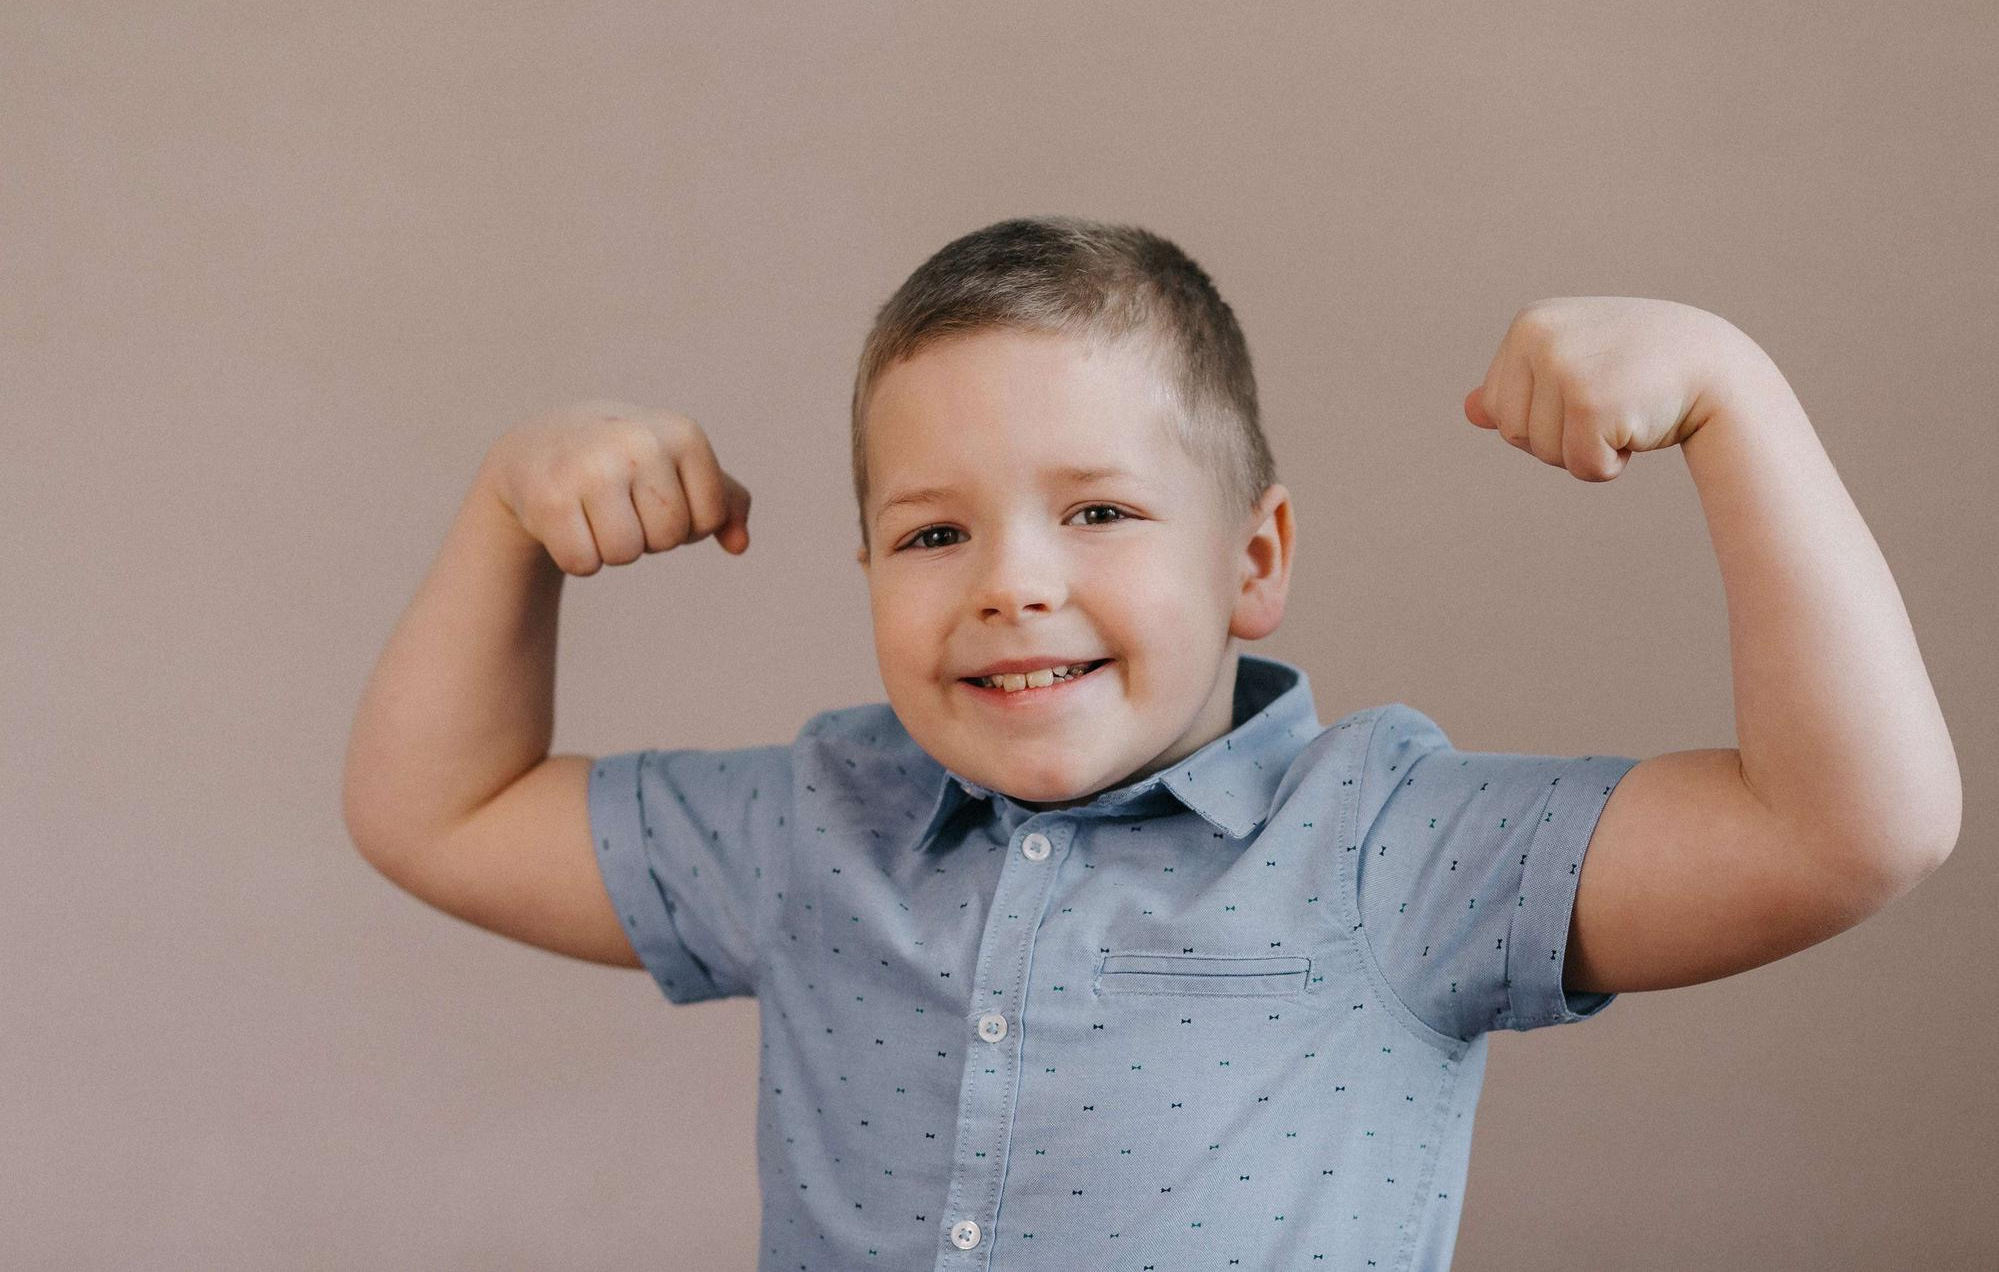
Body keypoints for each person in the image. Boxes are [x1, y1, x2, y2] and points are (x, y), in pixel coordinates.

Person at [342, 215, 1960, 1269]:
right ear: (864, 577)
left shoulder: (1389, 845)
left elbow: (1850, 827)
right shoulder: (818, 821)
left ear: (1251, 559)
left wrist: (1739, 404)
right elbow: (442, 809)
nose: (1010, 584)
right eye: (930, 536)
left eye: (1098, 510)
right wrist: (509, 513)